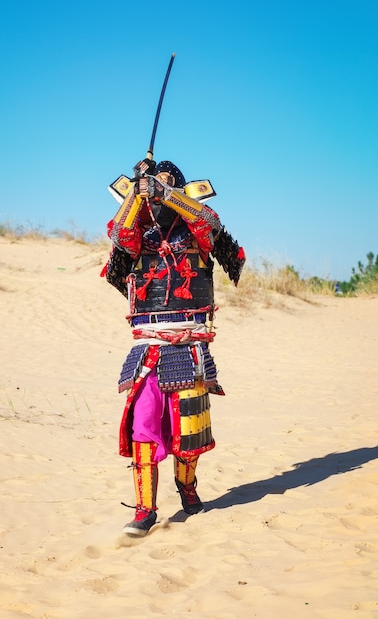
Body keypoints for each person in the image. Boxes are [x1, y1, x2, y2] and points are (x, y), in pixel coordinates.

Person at [102, 157, 245, 536]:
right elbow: (120, 235)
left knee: (188, 434)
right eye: (154, 185)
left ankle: (187, 485)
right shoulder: (137, 234)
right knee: (143, 426)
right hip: (148, 346)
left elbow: (208, 223)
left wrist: (166, 192)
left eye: (165, 186)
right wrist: (137, 190)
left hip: (188, 344)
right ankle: (145, 509)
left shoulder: (195, 231)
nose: (157, 192)